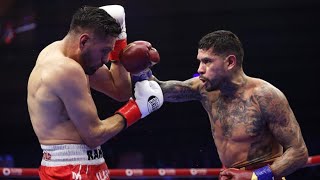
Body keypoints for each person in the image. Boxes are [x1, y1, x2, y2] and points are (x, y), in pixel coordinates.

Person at [27, 5, 163, 180]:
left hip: (80, 165)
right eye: (105, 50)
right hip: (71, 170)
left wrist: (120, 41)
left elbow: (119, 91)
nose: (107, 59)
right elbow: (94, 135)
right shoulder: (66, 69)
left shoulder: (64, 54)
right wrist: (139, 109)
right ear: (84, 41)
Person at [154, 30, 308, 180]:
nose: (200, 69)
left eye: (207, 61)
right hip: (230, 175)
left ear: (230, 62)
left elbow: (299, 152)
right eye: (200, 61)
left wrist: (255, 176)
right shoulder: (204, 89)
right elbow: (160, 90)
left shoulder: (265, 96)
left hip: (265, 176)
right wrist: (140, 68)